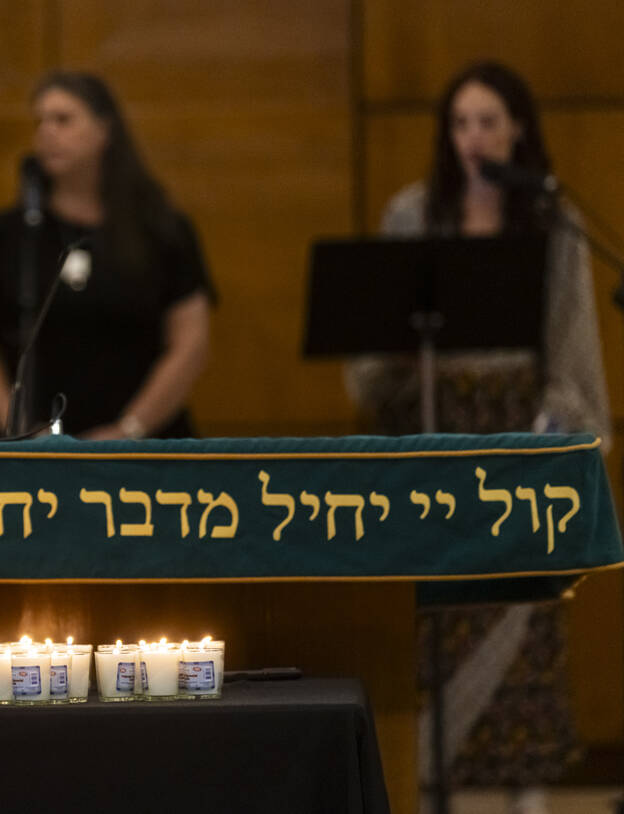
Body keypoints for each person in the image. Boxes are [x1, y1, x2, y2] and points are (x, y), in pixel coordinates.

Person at [345, 62, 610, 814]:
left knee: (526, 643)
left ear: (518, 128)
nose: (474, 138)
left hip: (516, 455)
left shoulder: (550, 224)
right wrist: (394, 349)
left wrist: (546, 442)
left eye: (489, 121)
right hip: (432, 452)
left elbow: (573, 354)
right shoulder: (412, 215)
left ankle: (526, 801)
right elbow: (369, 363)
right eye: (460, 123)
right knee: (431, 642)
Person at [0, 71, 213, 439]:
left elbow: (191, 342)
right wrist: (22, 432)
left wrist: (129, 430)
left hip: (139, 446)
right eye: (40, 121)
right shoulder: (11, 232)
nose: (46, 132)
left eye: (63, 119)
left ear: (104, 130)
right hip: (23, 450)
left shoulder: (161, 228)